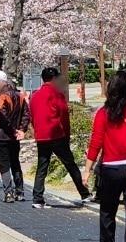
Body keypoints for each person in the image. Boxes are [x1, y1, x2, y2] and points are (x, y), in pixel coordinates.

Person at [87, 69, 126, 242]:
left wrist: (87, 169)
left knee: (107, 210)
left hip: (110, 167)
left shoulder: (104, 113)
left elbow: (96, 142)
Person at [29, 65, 92, 208]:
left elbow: (32, 116)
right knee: (70, 164)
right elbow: (64, 116)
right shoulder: (57, 94)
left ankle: (37, 198)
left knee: (42, 166)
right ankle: (84, 194)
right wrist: (67, 135)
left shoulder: (35, 96)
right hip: (56, 134)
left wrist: (37, 130)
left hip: (42, 136)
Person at [0, 70, 29, 203]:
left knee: (4, 164)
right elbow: (27, 114)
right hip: (14, 137)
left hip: (3, 135)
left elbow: (1, 115)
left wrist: (11, 129)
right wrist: (21, 129)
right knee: (15, 162)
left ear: (0, 82)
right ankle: (20, 191)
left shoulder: (2, 96)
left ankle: (8, 192)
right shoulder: (20, 95)